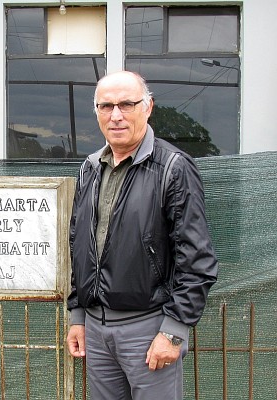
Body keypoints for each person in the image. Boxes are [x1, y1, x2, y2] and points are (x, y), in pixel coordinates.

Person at [66, 71, 218, 399]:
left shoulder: (174, 167)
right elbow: (79, 244)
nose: (116, 115)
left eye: (127, 104)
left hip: (149, 329)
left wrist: (175, 332)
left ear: (147, 107)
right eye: (106, 106)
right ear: (96, 112)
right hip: (96, 329)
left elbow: (197, 261)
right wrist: (78, 314)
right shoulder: (90, 168)